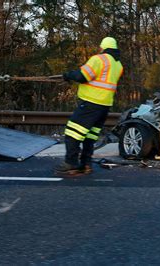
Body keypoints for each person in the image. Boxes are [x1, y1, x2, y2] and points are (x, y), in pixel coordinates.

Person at [54, 37, 123, 177]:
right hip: (105, 105)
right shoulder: (118, 65)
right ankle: (86, 164)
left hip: (91, 103)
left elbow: (82, 76)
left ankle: (71, 163)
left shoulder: (99, 59)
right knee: (89, 136)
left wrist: (68, 75)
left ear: (103, 47)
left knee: (72, 133)